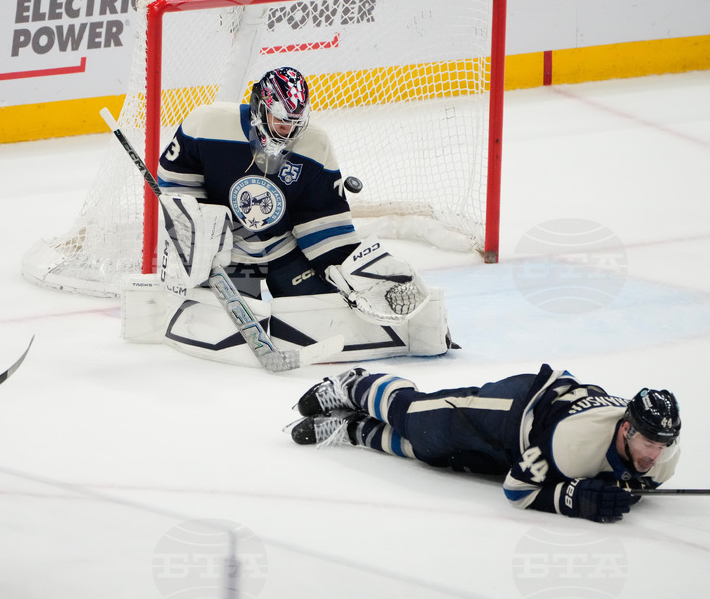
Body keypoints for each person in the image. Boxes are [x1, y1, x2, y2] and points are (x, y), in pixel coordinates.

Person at [121, 66, 454, 366]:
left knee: (320, 312)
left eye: (295, 123)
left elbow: (322, 217)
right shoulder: (208, 123)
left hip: (282, 249)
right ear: (260, 108)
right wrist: (203, 233)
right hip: (230, 255)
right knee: (230, 331)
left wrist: (341, 266)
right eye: (281, 120)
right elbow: (176, 180)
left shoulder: (315, 144)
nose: (287, 130)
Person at [289, 363, 681, 523]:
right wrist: (578, 500)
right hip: (515, 409)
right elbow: (518, 490)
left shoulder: (662, 460)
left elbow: (634, 484)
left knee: (434, 455)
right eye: (648, 441)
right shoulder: (575, 441)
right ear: (626, 428)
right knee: (419, 420)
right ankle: (355, 385)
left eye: (662, 445)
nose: (653, 454)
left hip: (526, 447)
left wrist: (620, 491)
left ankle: (352, 430)